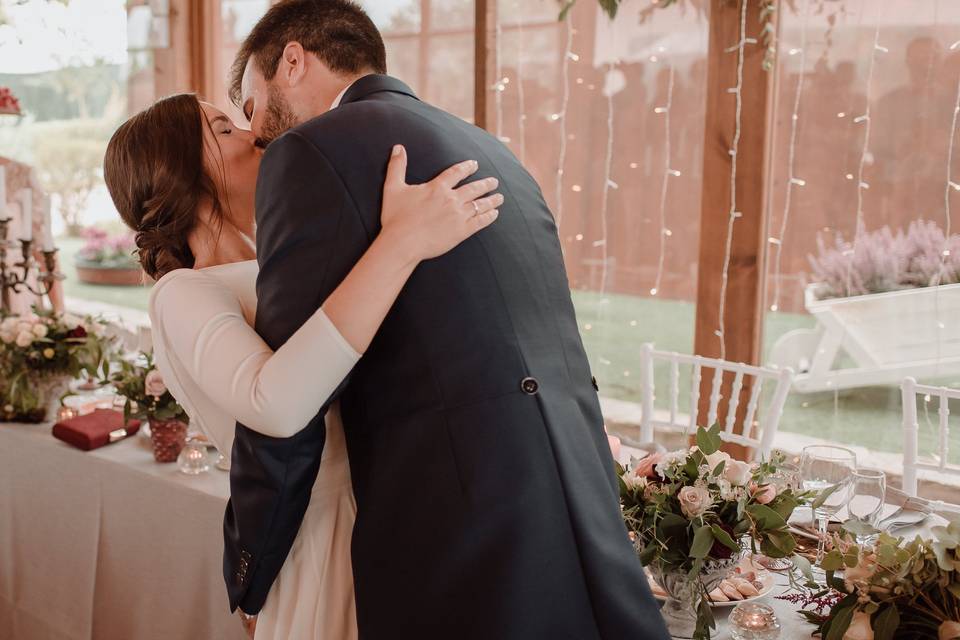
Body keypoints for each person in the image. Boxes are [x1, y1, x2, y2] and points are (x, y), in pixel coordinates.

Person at [227, 1, 669, 638]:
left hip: (456, 524)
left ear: (291, 61)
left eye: (250, 104)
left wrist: (251, 564)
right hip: (576, 504)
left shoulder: (308, 152)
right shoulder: (495, 150)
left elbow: (292, 394)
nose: (255, 132)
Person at [103, 93, 502, 639]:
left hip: (396, 514)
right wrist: (402, 243)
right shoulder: (181, 293)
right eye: (224, 130)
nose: (251, 134)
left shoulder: (287, 266)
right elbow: (279, 404)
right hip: (323, 540)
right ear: (175, 172)